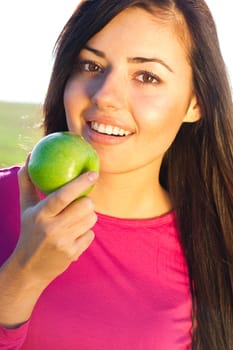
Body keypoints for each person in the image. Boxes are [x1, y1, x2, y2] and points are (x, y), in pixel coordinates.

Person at [0, 0, 232, 349]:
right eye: (91, 65)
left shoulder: (217, 246)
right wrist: (23, 276)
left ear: (195, 103)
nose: (105, 96)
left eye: (147, 76)